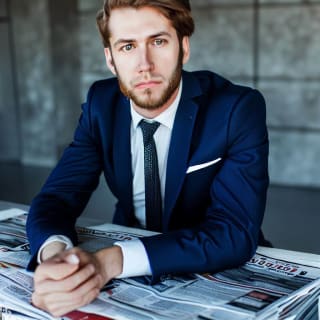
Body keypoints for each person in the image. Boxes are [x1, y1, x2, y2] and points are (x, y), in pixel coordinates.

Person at [26, 0, 269, 317]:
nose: (145, 64)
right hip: (130, 262)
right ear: (111, 60)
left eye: (158, 41)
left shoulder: (236, 108)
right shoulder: (101, 104)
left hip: (214, 262)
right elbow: (57, 197)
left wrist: (109, 262)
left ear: (183, 48)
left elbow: (234, 232)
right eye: (127, 46)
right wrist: (58, 257)